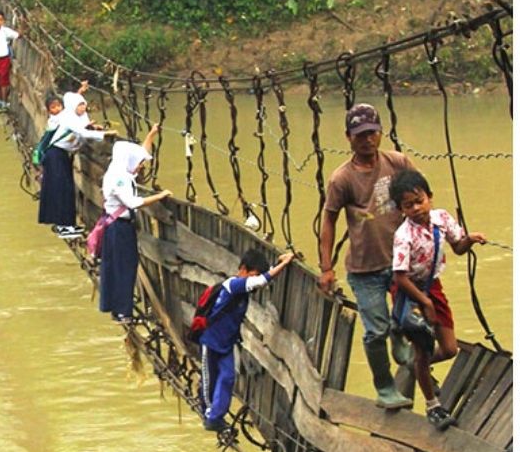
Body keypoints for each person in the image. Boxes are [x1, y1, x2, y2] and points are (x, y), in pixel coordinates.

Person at [318, 103, 417, 410]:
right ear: (348, 137)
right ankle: (385, 388)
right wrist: (326, 268)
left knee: (406, 318)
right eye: (360, 135)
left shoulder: (397, 162)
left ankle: (400, 336)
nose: (367, 140)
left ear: (380, 133)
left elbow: (420, 195)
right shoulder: (342, 179)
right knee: (375, 331)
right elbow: (329, 220)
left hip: (401, 261)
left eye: (372, 133)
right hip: (365, 269)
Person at [389, 170, 486, 430]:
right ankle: (433, 405)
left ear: (429, 197)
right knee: (423, 346)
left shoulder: (441, 219)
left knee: (449, 348)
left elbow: (457, 247)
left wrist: (470, 240)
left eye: (419, 200)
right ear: (401, 209)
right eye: (408, 205)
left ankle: (415, 365)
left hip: (433, 286)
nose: (416, 208)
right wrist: (426, 303)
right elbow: (399, 278)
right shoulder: (403, 236)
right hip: (409, 292)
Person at [200, 250, 295, 431]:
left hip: (226, 344)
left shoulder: (244, 287)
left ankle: (216, 416)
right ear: (243, 269)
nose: (254, 281)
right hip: (211, 340)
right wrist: (284, 263)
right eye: (252, 275)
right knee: (209, 380)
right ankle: (209, 414)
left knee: (227, 377)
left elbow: (262, 278)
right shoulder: (233, 284)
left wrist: (279, 264)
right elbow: (260, 280)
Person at [98, 128, 171, 323]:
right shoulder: (119, 177)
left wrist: (151, 134)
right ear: (128, 160)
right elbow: (133, 203)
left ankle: (119, 309)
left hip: (116, 226)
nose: (140, 167)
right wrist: (159, 196)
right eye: (138, 163)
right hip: (119, 228)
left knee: (118, 266)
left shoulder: (119, 169)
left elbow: (142, 153)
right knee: (124, 267)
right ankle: (123, 311)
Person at [38, 82, 117, 238]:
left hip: (59, 155)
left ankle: (66, 225)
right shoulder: (67, 117)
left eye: (83, 105)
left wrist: (91, 126)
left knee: (61, 189)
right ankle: (65, 227)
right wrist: (105, 134)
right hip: (56, 155)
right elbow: (82, 132)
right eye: (79, 105)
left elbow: (80, 128)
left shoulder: (69, 116)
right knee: (63, 190)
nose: (82, 108)